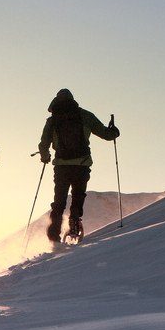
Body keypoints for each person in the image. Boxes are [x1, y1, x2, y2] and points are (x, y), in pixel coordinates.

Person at [37, 89, 119, 242]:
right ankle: (74, 224)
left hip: (61, 166)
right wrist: (114, 132)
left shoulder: (52, 120)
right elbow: (105, 134)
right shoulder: (84, 115)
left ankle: (54, 233)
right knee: (78, 195)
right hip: (82, 164)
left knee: (59, 199)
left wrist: (45, 156)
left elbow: (43, 144)